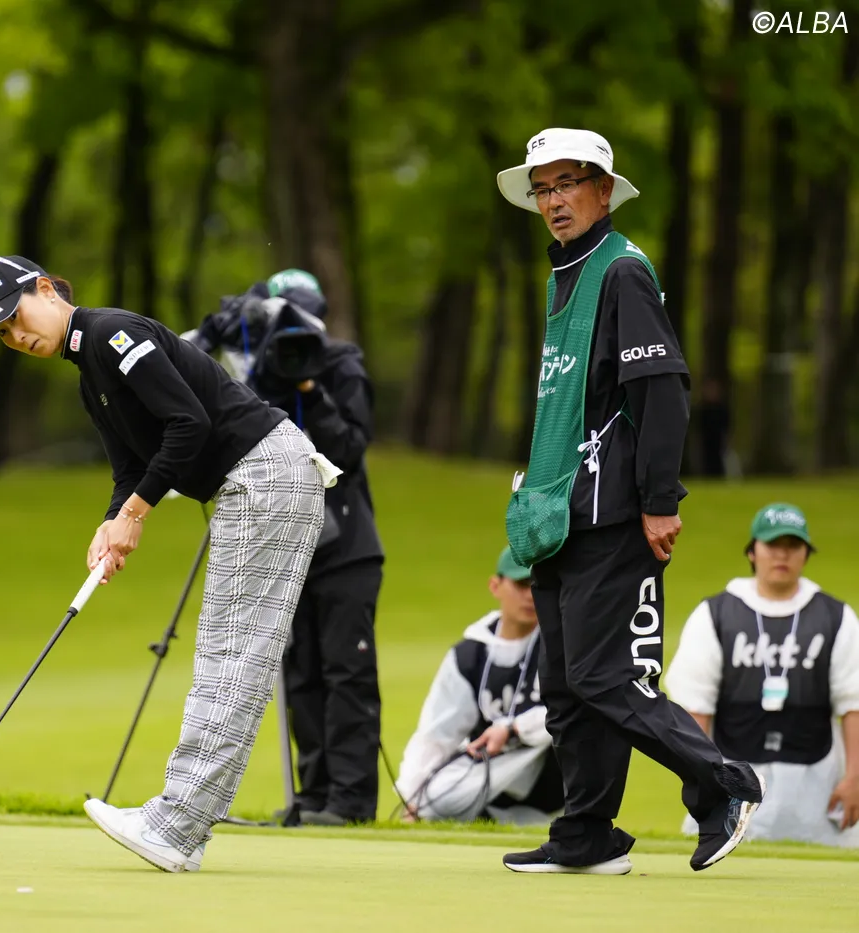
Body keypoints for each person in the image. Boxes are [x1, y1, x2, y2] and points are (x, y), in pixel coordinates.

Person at [0, 252, 339, 873]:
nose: (17, 336)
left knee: (231, 655)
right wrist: (112, 524)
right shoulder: (89, 372)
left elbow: (188, 424)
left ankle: (175, 824)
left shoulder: (112, 334)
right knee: (230, 654)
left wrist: (134, 515)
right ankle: (183, 828)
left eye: (15, 316)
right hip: (256, 481)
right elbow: (130, 468)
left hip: (265, 474)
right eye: (2, 334)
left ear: (47, 289)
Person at [496, 127, 764, 876]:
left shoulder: (621, 271)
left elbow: (662, 390)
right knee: (564, 689)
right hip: (560, 514)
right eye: (542, 188)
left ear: (604, 190)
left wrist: (658, 499)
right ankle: (587, 836)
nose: (553, 200)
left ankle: (724, 784)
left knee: (602, 678)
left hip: (611, 513)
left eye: (568, 183)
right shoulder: (568, 273)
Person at [191, 269, 384, 825]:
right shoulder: (259, 373)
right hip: (285, 544)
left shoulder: (339, 362)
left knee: (346, 672)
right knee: (301, 673)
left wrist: (308, 388)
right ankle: (314, 796)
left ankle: (351, 802)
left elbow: (350, 446)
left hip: (347, 546)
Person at [665, 503, 859, 846]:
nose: (782, 554)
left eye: (793, 545)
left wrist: (855, 777)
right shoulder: (715, 614)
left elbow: (853, 702)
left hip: (817, 781)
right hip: (732, 775)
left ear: (806, 554)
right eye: (772, 544)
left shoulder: (836, 617)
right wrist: (702, 778)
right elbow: (695, 706)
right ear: (752, 551)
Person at [396, 547, 562, 825]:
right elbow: (437, 733)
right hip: (490, 767)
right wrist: (413, 799)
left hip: (550, 773)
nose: (530, 595)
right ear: (495, 586)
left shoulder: (562, 644)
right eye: (521, 584)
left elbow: (571, 710)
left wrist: (513, 729)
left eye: (538, 585)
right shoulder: (469, 655)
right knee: (435, 798)